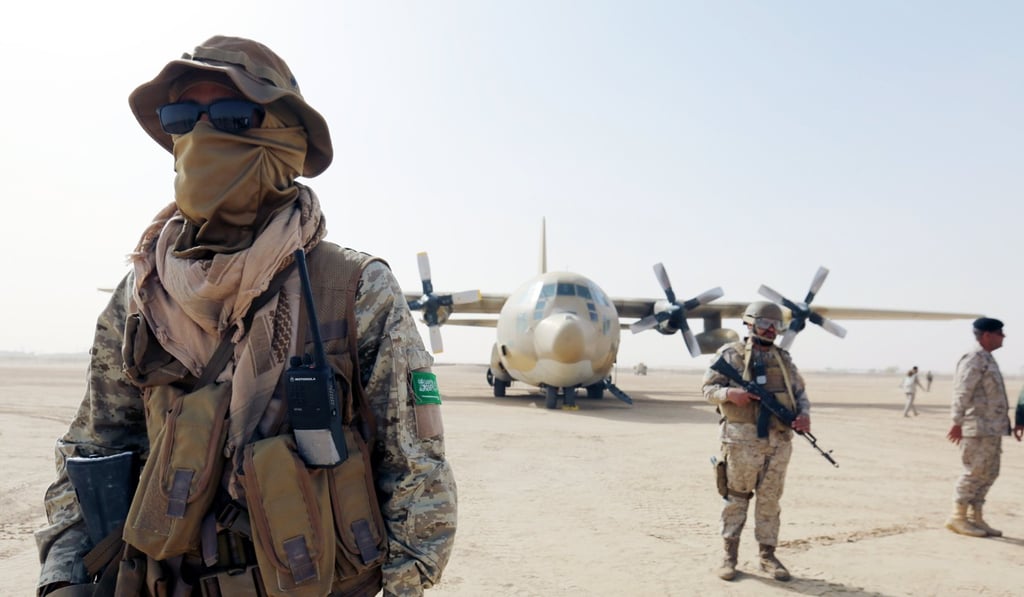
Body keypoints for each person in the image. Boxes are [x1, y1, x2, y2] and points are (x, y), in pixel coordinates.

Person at [35, 36, 457, 596]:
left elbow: (417, 473)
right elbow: (93, 448)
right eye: (182, 118)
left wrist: (403, 586)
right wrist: (63, 576)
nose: (201, 137)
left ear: (286, 140)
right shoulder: (142, 294)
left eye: (233, 117)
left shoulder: (354, 289)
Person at [702, 301, 811, 582]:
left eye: (777, 325)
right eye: (764, 323)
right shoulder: (731, 355)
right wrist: (730, 394)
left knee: (770, 501)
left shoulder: (784, 359)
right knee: (735, 499)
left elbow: (800, 394)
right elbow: (708, 389)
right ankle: (729, 556)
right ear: (749, 323)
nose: (771, 330)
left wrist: (804, 416)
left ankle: (767, 556)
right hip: (741, 442)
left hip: (778, 442)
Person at [944, 317, 1017, 538]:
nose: (1003, 337)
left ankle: (975, 517)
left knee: (989, 473)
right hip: (976, 427)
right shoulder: (974, 358)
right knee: (974, 472)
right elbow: (962, 391)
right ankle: (958, 517)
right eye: (1000, 333)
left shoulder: (987, 358)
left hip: (992, 428)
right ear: (986, 335)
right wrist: (957, 422)